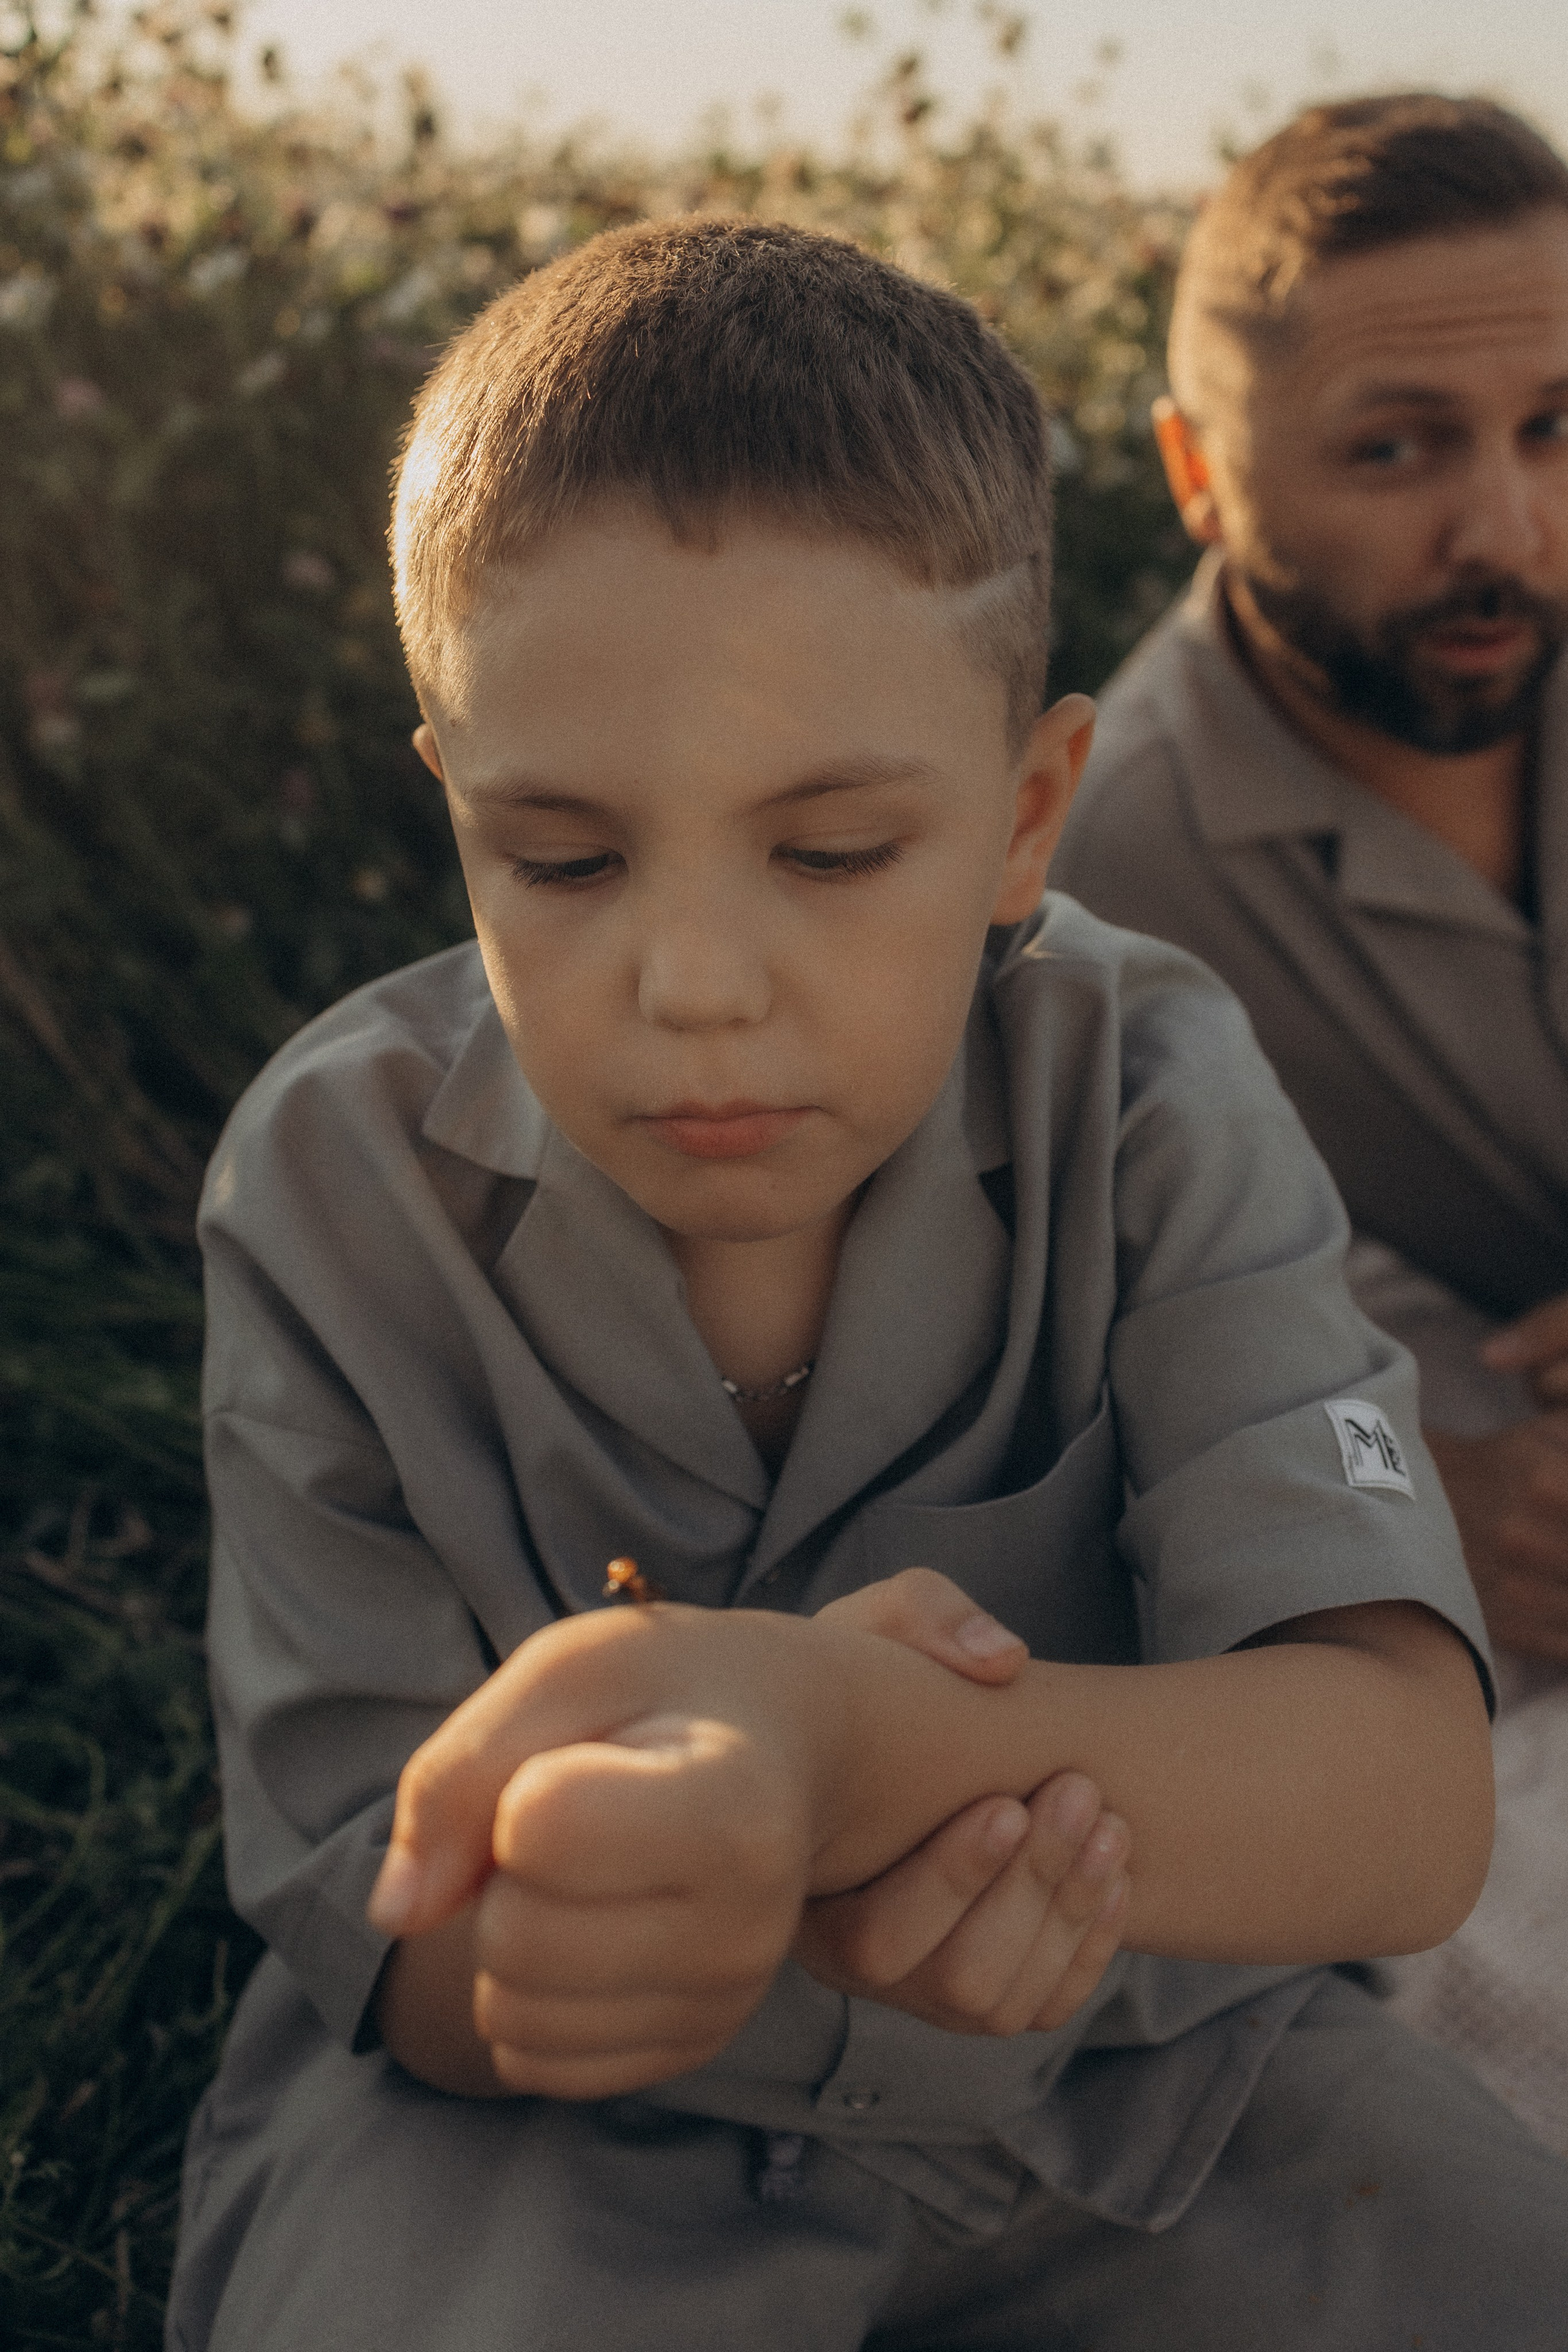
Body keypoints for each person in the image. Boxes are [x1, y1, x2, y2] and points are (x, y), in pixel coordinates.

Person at [167, 217, 1566, 2352]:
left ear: (1028, 817)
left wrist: (856, 1755)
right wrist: (625, 1929)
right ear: (453, 801)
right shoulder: (330, 1186)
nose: (696, 985)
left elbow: (1402, 1799)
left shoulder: (1149, 1089)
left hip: (1152, 2084)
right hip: (551, 2149)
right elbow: (399, 1939)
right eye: (563, 858)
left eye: (831, 854)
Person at [1051, 94, 1568, 2154]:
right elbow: (1082, 1389)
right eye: (1396, 450)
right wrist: (1423, 1492)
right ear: (1199, 470)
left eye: (1557, 427)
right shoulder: (1094, 887)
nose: (1505, 531)